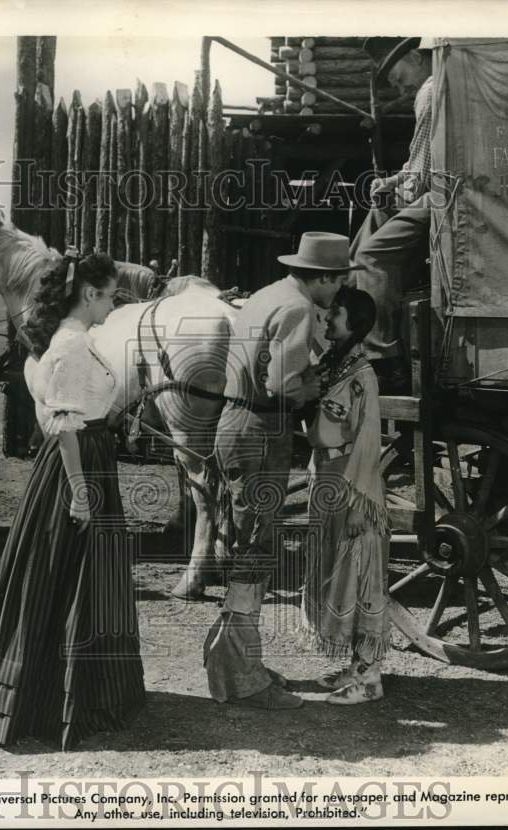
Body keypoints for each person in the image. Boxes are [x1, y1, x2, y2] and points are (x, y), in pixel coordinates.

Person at [0, 250, 145, 750]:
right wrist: (81, 491)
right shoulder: (71, 347)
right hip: (77, 469)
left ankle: (75, 690)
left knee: (73, 577)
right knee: (64, 577)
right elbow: (61, 425)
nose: (112, 306)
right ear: (88, 294)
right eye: (108, 297)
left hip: (89, 457)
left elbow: (58, 400)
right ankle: (50, 699)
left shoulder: (70, 343)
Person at [203, 232, 357, 710]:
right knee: (253, 548)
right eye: (340, 281)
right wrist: (320, 387)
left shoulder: (270, 293)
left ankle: (235, 663)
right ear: (326, 277)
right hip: (260, 429)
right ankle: (241, 679)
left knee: (246, 542)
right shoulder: (297, 309)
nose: (340, 293)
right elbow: (284, 385)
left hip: (237, 423)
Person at [303, 286, 391, 704]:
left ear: (354, 322)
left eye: (335, 313)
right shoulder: (338, 365)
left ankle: (369, 679)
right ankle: (355, 668)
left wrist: (360, 501)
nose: (327, 318)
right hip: (328, 476)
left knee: (358, 577)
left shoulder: (362, 376)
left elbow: (369, 440)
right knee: (335, 576)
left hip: (351, 484)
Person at [349, 37, 435, 390]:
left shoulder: (429, 92)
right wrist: (392, 182)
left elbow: (421, 179)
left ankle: (384, 359)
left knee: (371, 256)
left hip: (444, 198)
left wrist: (397, 188)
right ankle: (360, 325)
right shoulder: (434, 87)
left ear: (415, 57)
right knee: (366, 235)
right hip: (436, 190)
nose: (401, 87)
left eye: (399, 77)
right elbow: (418, 162)